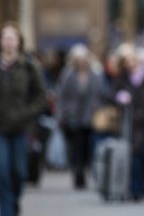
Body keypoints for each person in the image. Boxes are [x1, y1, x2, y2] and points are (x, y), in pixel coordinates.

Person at [0, 22, 48, 216]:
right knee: (2, 170)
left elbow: (41, 97)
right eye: (5, 38)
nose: (8, 42)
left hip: (22, 128)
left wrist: (26, 113)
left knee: (19, 172)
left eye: (12, 38)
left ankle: (13, 204)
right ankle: (5, 211)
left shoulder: (29, 66)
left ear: (19, 42)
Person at [112, 44, 144, 201]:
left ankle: (142, 184)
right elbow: (109, 94)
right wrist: (119, 97)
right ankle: (136, 190)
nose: (131, 63)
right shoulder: (122, 79)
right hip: (130, 126)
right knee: (134, 158)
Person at [56, 44, 104, 189]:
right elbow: (61, 96)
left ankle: (85, 171)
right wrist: (61, 116)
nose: (81, 62)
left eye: (83, 59)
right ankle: (78, 175)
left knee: (87, 148)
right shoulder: (67, 74)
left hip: (90, 117)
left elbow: (100, 93)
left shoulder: (94, 74)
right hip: (72, 117)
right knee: (75, 148)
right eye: (78, 59)